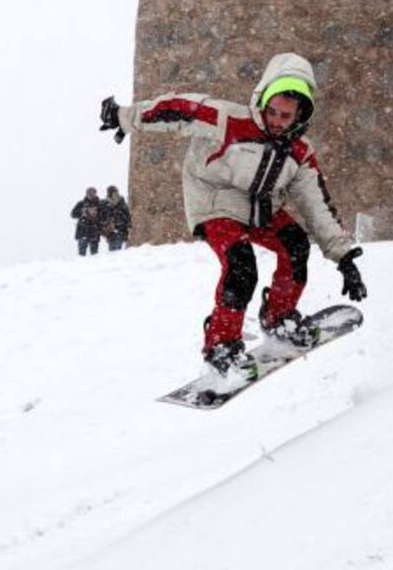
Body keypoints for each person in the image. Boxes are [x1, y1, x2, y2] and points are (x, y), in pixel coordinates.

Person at [98, 52, 367, 380]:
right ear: (262, 100)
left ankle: (278, 317)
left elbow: (316, 204)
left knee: (296, 245)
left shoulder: (300, 152)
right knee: (241, 266)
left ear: (300, 115)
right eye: (272, 111)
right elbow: (177, 109)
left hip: (260, 208)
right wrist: (125, 116)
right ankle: (221, 347)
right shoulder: (228, 119)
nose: (277, 121)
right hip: (214, 201)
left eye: (286, 116)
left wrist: (343, 258)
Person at [70, 187, 103, 256]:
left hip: (94, 231)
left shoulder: (100, 204)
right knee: (81, 255)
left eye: (93, 193)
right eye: (89, 193)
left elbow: (104, 216)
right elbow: (73, 214)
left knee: (94, 255)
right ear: (86, 194)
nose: (91, 195)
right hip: (82, 231)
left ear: (95, 194)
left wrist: (97, 214)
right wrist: (82, 212)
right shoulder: (81, 204)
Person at [100, 185, 131, 251]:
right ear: (110, 193)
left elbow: (127, 213)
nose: (116, 193)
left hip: (121, 227)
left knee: (119, 247)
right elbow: (102, 216)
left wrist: (128, 223)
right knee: (113, 249)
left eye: (116, 192)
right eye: (114, 192)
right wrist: (104, 226)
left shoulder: (122, 202)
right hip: (111, 229)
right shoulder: (104, 203)